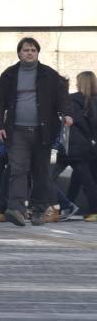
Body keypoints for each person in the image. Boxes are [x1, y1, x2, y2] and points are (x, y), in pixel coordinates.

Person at [0, 37, 74, 227]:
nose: (29, 53)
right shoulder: (9, 74)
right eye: (26, 50)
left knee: (41, 172)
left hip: (43, 132)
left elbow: (63, 98)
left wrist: (67, 114)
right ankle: (16, 210)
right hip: (16, 131)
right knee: (18, 169)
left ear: (37, 53)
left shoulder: (49, 74)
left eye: (33, 50)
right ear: (19, 53)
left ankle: (38, 210)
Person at [66, 71, 97, 221]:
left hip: (82, 145)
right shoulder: (91, 101)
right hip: (91, 146)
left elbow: (78, 124)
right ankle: (67, 206)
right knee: (80, 178)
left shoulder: (74, 100)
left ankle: (69, 207)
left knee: (85, 180)